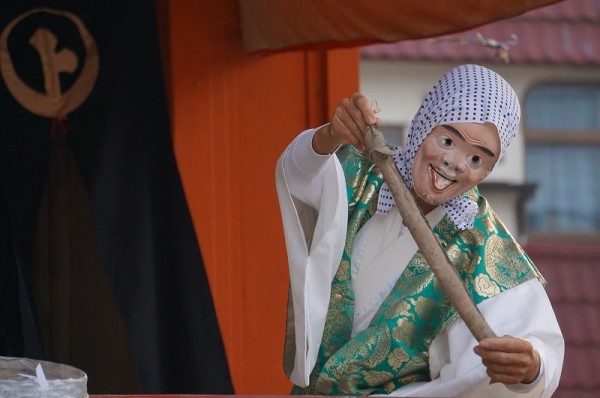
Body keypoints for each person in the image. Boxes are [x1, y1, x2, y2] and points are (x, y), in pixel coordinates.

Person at [275, 64, 564, 397]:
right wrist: (330, 135)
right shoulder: (361, 174)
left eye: (476, 160)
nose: (455, 163)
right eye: (447, 140)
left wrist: (531, 368)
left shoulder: (483, 245)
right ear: (424, 123)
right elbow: (298, 172)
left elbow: (537, 345)